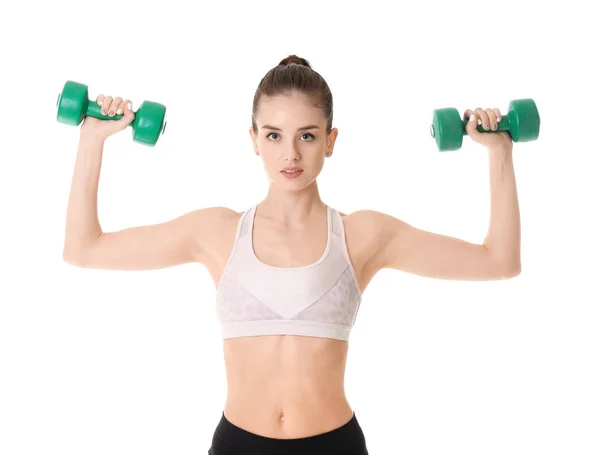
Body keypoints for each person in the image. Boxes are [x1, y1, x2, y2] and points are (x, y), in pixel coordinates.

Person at [62, 54, 521, 455]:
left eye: (306, 136)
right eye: (274, 135)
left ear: (330, 140)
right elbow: (85, 249)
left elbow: (498, 260)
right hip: (238, 444)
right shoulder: (216, 232)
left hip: (335, 445)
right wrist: (92, 139)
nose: (290, 154)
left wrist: (499, 152)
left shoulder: (364, 235)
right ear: (254, 139)